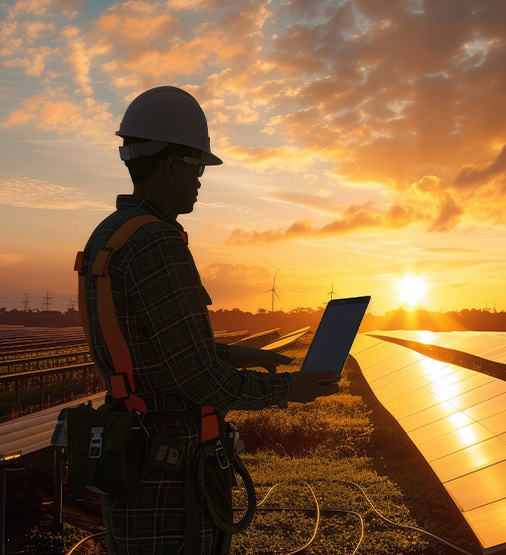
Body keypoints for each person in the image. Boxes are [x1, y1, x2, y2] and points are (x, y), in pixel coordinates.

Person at [78, 86, 339, 555]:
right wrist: (289, 390)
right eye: (198, 166)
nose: (201, 179)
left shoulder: (109, 234)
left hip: (131, 456)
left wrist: (230, 351)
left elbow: (143, 346)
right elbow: (198, 380)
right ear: (171, 162)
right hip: (171, 478)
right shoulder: (159, 243)